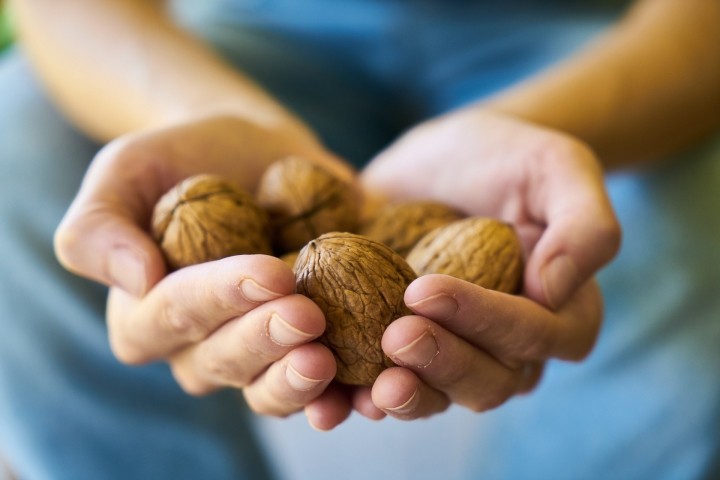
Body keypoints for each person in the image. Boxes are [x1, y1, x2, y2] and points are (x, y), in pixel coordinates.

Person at [1, 0, 719, 478]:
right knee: (16, 142)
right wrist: (206, 114)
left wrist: (548, 135)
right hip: (256, 32)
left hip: (583, 38)